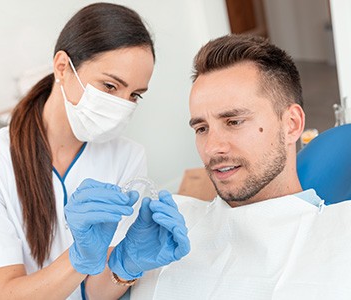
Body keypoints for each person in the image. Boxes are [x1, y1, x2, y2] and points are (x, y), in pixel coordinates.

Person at [0, 3, 189, 299]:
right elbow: (7, 293)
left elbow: (96, 293)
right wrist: (78, 258)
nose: (122, 105)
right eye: (110, 86)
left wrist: (126, 266)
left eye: (134, 95)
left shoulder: (128, 156)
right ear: (63, 67)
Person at [127, 34, 351, 299]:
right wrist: (120, 273)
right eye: (201, 128)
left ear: (291, 124)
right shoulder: (171, 229)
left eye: (233, 122)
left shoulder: (338, 240)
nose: (212, 148)